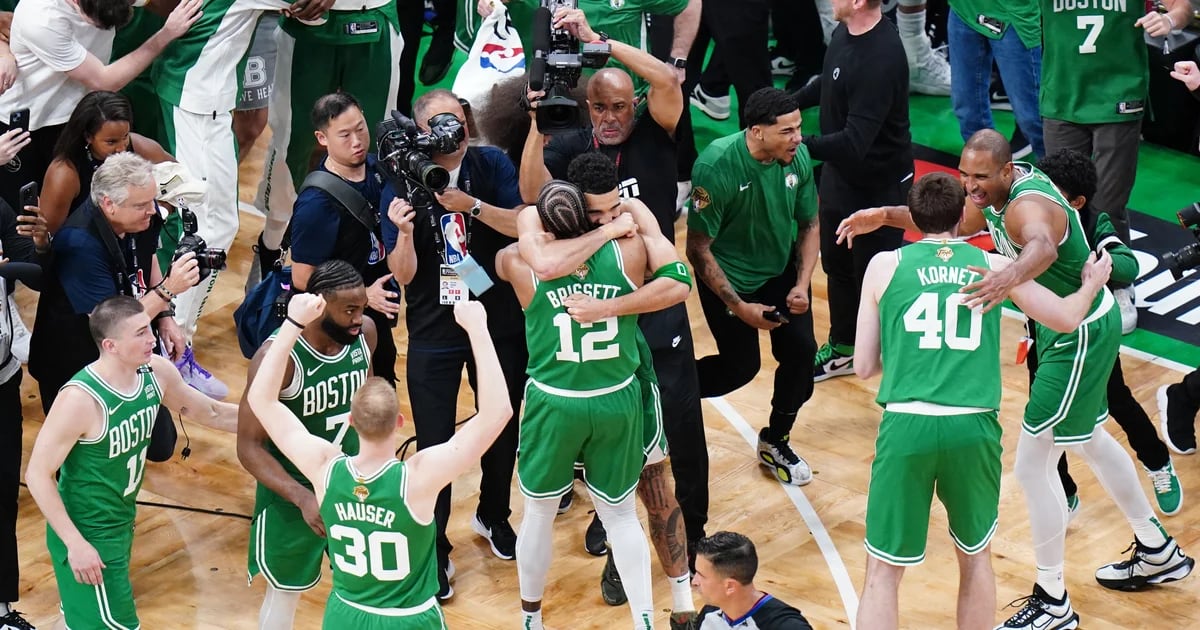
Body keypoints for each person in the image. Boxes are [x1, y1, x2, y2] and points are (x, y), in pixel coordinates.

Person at [837, 129, 1194, 629]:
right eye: (963, 175)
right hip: (1060, 322)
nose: (969, 186)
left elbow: (1043, 248)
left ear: (1007, 171)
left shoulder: (1027, 206)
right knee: (1087, 436)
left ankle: (1053, 598)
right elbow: (949, 219)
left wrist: (1005, 278)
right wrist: (885, 215)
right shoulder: (988, 196)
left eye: (979, 177)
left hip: (1078, 329)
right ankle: (1157, 547)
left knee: (1031, 466)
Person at [853, 171, 1113, 630]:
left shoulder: (884, 266)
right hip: (973, 428)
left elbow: (863, 367)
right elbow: (1069, 317)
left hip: (907, 424)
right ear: (962, 216)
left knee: (882, 572)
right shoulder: (994, 266)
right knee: (975, 560)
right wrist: (1092, 282)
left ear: (913, 217)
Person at [518, 7, 709, 561]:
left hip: (653, 302)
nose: (607, 117)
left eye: (618, 107)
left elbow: (668, 80)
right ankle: (613, 517)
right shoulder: (573, 141)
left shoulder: (657, 126)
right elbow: (533, 191)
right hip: (601, 303)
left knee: (680, 422)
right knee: (614, 428)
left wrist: (601, 43)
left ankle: (691, 529)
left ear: (634, 106)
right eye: (598, 106)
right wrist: (535, 129)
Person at [247, 293, 512, 629]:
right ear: (399, 421)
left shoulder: (325, 470)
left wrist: (292, 324)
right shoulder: (418, 478)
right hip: (408, 619)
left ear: (351, 420)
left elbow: (262, 399)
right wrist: (477, 329)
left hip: (345, 614)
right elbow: (497, 412)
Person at [515, 152, 699, 628]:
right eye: (597, 213)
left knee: (541, 513)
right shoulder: (628, 244)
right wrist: (608, 237)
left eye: (614, 208)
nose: (611, 217)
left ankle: (531, 618)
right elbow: (675, 279)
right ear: (573, 205)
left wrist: (608, 308)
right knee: (621, 515)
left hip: (564, 397)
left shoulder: (521, 257)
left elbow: (680, 286)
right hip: (613, 394)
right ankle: (645, 619)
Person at [382, 88, 525, 598]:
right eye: (439, 123)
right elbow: (402, 275)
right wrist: (401, 234)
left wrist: (471, 206)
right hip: (433, 329)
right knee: (435, 440)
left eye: (458, 120)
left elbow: (520, 226)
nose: (453, 131)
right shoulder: (400, 178)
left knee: (502, 425)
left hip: (497, 320)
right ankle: (435, 545)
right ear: (421, 131)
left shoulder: (491, 164)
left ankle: (493, 514)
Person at [25, 296, 237, 630]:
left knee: (82, 621)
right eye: (139, 333)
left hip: (122, 520)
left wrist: (276, 419)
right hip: (87, 531)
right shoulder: (80, 400)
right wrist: (75, 544)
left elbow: (211, 412)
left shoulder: (155, 371)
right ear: (110, 345)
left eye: (148, 329)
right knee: (118, 623)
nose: (151, 339)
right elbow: (37, 475)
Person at [151, 0, 323, 373]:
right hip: (189, 99)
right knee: (195, 229)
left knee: (223, 227)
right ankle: (167, 346)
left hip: (213, 107)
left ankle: (180, 339)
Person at [1036, 149, 1182, 517]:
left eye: (1053, 192)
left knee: (1118, 400)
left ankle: (1157, 461)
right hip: (1043, 333)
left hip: (1091, 335)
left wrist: (1101, 263)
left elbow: (1128, 265)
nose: (1041, 198)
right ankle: (1064, 492)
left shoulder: (1091, 222)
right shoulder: (1029, 218)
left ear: (1076, 201)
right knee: (1044, 419)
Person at [686, 87, 819, 487]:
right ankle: (661, 395)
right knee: (738, 369)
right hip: (729, 279)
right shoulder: (716, 166)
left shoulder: (798, 157)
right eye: (787, 131)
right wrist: (740, 307)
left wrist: (802, 284)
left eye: (799, 128)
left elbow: (810, 224)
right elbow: (697, 250)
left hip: (779, 273)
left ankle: (775, 440)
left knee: (802, 356)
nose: (798, 137)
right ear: (757, 132)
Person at [236, 260, 378, 630]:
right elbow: (249, 446)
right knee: (285, 592)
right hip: (293, 491)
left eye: (362, 307)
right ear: (318, 304)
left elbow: (367, 414)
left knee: (370, 590)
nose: (358, 318)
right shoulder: (276, 359)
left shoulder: (366, 336)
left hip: (351, 486)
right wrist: (302, 497)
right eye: (349, 309)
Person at [1038, 0, 1192, 333]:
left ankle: (1119, 284)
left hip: (1118, 94)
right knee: (1061, 202)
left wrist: (1171, 21)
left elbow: (1182, 5)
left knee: (1108, 203)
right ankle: (1068, 281)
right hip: (1063, 94)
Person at [792, 0, 913, 383]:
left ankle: (899, 357)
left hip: (879, 186)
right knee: (838, 266)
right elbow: (830, 83)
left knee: (878, 277)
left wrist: (795, 142)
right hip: (843, 177)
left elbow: (854, 141)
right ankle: (844, 348)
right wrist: (787, 104)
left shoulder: (881, 57)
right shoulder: (845, 32)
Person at [29, 152, 200, 413]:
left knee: (160, 440)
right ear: (109, 204)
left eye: (152, 201)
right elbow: (114, 323)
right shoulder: (79, 245)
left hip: (121, 349)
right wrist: (167, 290)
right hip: (76, 365)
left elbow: (149, 254)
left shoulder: (141, 215)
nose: (153, 210)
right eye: (142, 205)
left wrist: (165, 318)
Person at [0, 0, 200, 212]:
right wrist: (165, 35)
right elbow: (105, 81)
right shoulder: (42, 16)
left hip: (72, 119)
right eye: (94, 21)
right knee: (23, 215)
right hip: (25, 124)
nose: (100, 28)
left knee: (80, 205)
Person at [251, 0, 402, 279]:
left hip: (374, 14)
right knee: (291, 145)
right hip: (306, 24)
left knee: (372, 146)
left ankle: (371, 252)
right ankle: (271, 246)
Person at [285, 92, 400, 384]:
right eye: (344, 135)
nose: (357, 141)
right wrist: (363, 294)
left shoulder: (379, 170)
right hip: (333, 323)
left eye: (360, 128)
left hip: (374, 312)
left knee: (382, 384)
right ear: (322, 138)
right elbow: (302, 278)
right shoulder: (316, 204)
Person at [0, 130, 45, 630]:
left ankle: (2, 610)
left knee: (2, 493)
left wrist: (35, 245)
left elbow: (33, 268)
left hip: (3, 377)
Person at [39, 91, 174, 234]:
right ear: (88, 137)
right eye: (111, 142)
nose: (122, 148)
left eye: (125, 136)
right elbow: (47, 234)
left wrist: (161, 209)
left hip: (134, 244)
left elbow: (181, 178)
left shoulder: (139, 146)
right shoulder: (65, 173)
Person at [946, 0, 1044, 159]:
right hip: (964, 9)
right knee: (967, 110)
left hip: (1013, 14)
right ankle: (985, 171)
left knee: (1032, 117)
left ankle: (1057, 178)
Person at [690, 532, 813, 630]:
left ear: (730, 586)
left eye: (701, 575)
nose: (694, 582)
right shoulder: (710, 613)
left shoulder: (788, 626)